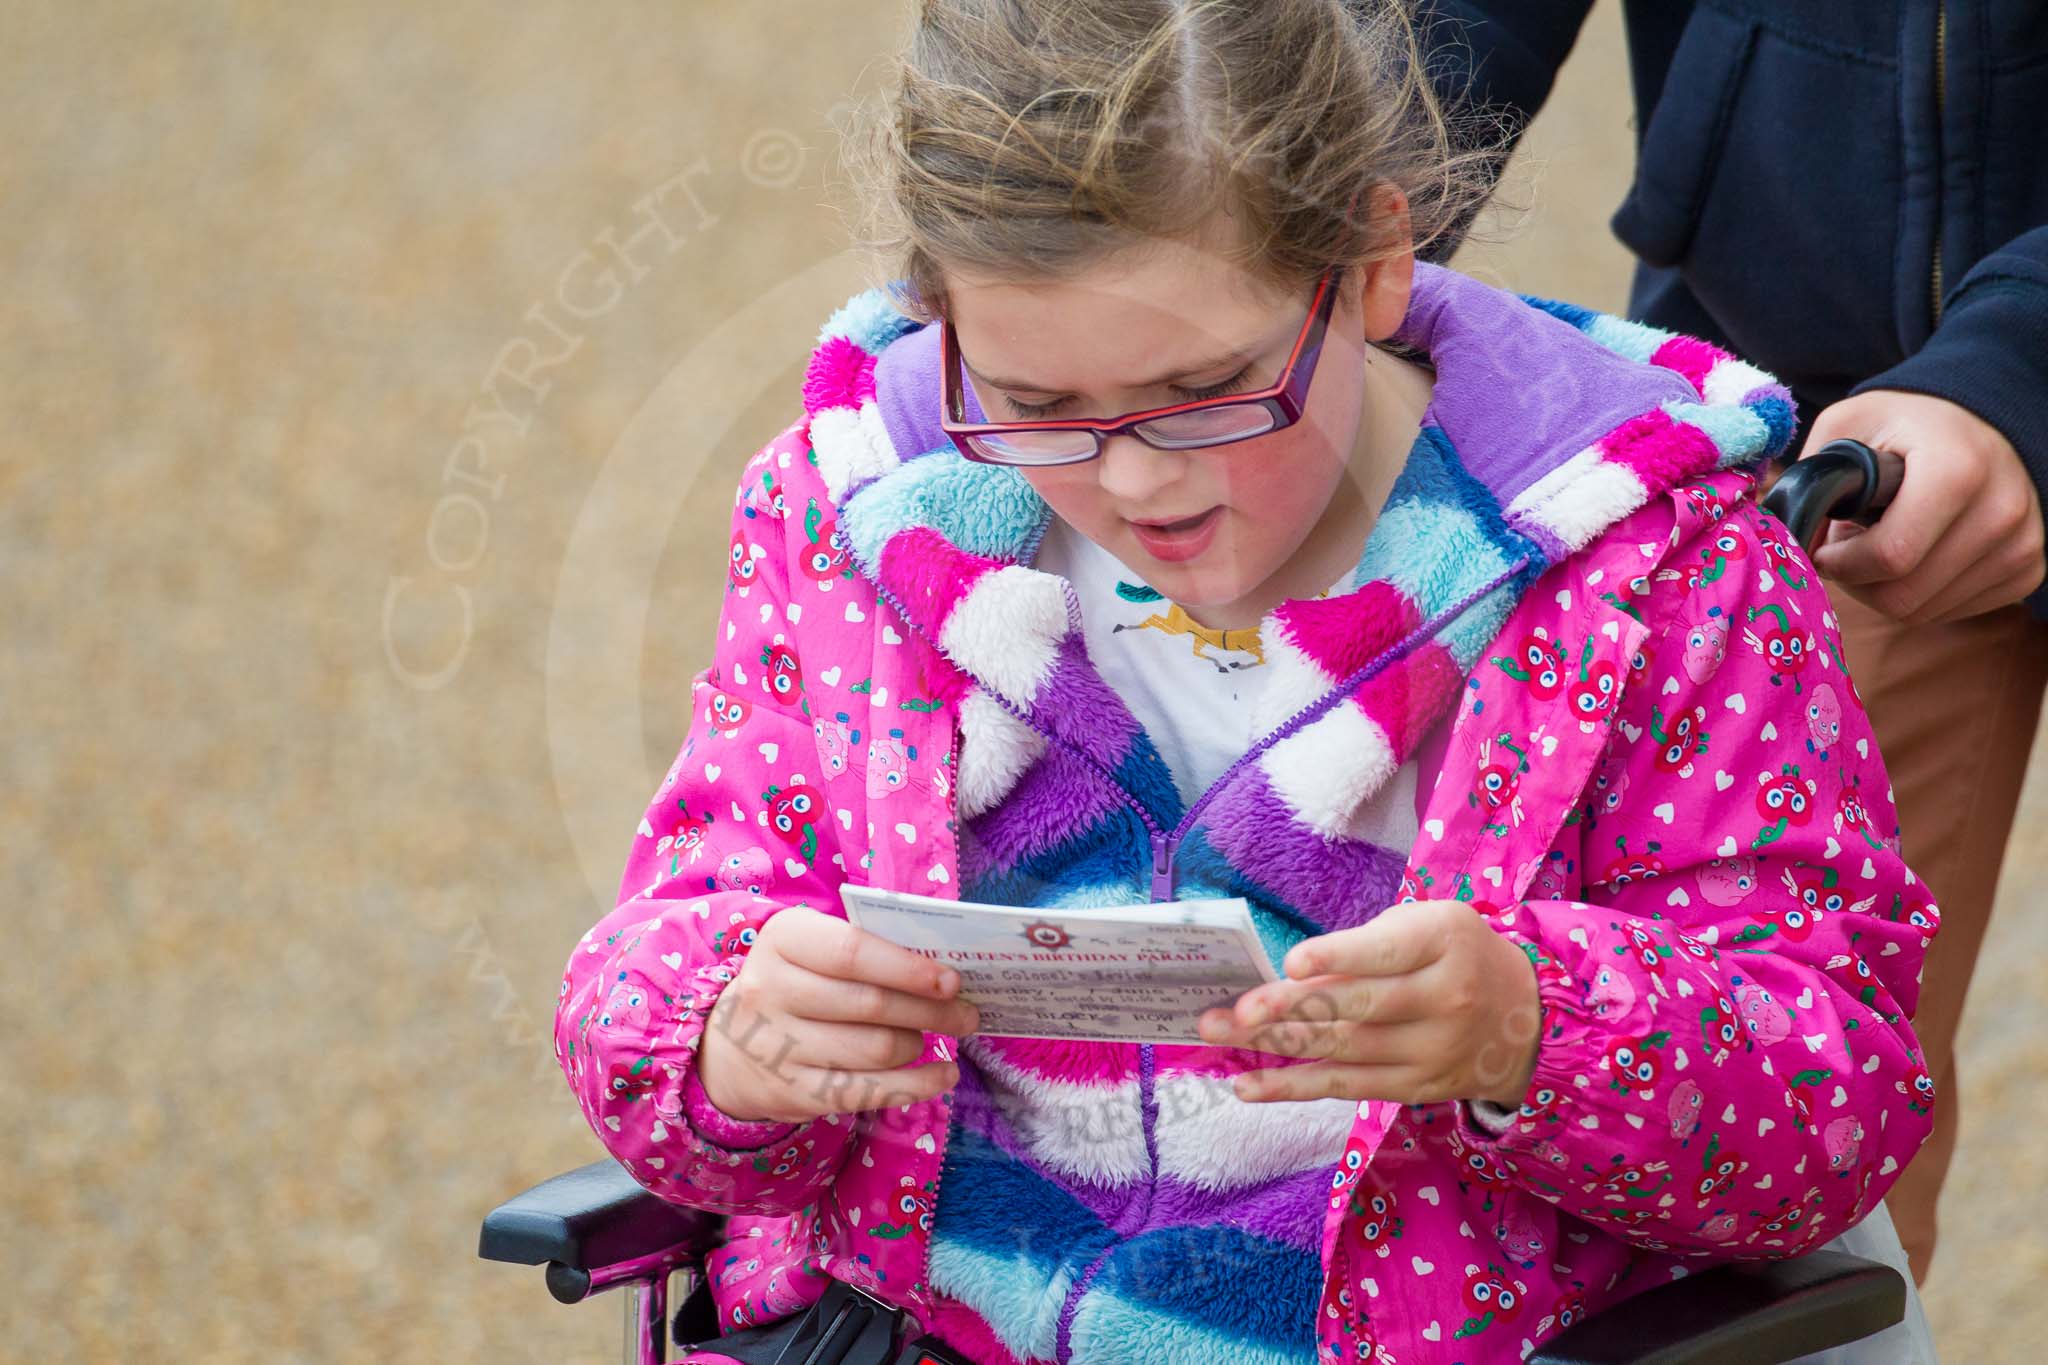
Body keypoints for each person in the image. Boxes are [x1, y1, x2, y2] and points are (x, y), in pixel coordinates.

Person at [552, 3, 1943, 1361]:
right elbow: (651, 962)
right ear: (941, 320)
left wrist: (1532, 1023)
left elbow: (1842, 1098)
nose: (1137, 479)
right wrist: (727, 1040)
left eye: (1210, 387)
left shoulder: (1661, 569)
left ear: (1375, 261)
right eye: (1036, 408)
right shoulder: (850, 513)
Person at [1412, 0, 2048, 1285]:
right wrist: (1257, 221)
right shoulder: (1723, 579)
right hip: (1843, 449)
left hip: (1978, 382)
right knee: (1800, 1160)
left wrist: (2024, 361)